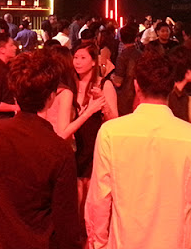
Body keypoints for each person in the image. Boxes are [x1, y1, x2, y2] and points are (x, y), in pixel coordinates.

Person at [85, 51, 191, 249]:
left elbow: (98, 200)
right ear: (170, 87)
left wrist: (98, 243)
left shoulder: (110, 133)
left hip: (125, 242)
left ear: (136, 86)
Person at [0, 50, 81, 249]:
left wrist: (1, 193)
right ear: (51, 97)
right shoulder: (59, 150)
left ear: (15, 93)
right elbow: (66, 221)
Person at [72, 43, 118, 243]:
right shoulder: (70, 85)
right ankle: (77, 237)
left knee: (92, 197)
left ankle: (91, 239)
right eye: (75, 57)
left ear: (93, 62)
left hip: (94, 144)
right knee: (75, 195)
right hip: (75, 144)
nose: (78, 62)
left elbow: (114, 120)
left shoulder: (104, 85)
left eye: (83, 58)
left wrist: (102, 103)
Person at [111, 24, 141, 116]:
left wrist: (111, 76)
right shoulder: (141, 54)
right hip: (140, 96)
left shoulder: (122, 57)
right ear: (135, 38)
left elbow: (118, 82)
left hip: (125, 99)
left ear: (121, 39)